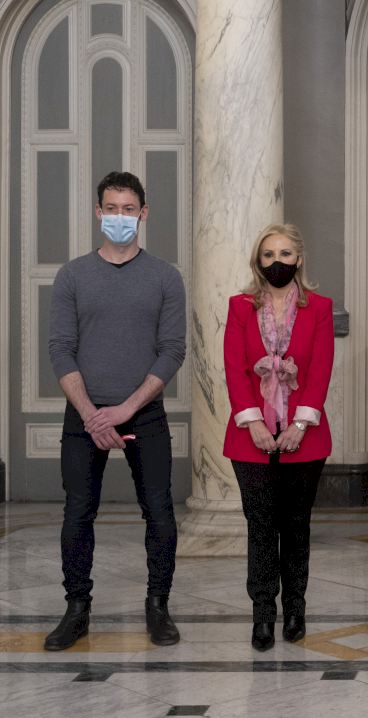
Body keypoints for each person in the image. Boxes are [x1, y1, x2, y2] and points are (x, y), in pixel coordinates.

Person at [45, 171, 186, 651]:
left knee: (160, 512)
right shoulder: (72, 276)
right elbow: (61, 349)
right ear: (98, 212)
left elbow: (172, 351)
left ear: (143, 214)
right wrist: (92, 414)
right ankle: (77, 609)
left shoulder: (165, 277)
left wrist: (124, 408)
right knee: (77, 513)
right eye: (111, 208)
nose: (119, 217)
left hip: (143, 411)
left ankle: (158, 606)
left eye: (129, 209)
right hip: (84, 414)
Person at [222, 223, 334, 651]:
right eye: (268, 255)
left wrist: (299, 425)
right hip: (249, 439)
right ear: (258, 261)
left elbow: (320, 368)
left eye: (285, 254)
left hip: (304, 437)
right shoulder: (240, 306)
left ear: (298, 259)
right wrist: (252, 422)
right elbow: (234, 368)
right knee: (261, 527)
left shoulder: (319, 307)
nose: (277, 262)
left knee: (296, 526)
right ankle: (263, 615)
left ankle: (296, 609)